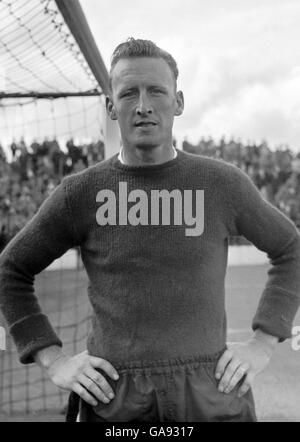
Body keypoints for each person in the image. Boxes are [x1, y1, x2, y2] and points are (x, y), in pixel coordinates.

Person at [1, 38, 300, 423]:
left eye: (156, 91)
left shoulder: (221, 183)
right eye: (128, 94)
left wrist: (262, 342)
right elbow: (11, 270)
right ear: (111, 107)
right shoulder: (80, 193)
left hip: (210, 394)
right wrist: (52, 358)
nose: (143, 106)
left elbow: (290, 248)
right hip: (115, 400)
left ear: (177, 102)